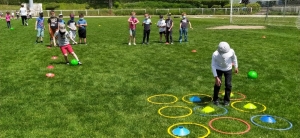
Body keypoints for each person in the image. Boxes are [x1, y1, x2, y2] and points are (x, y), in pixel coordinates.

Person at [211, 42, 238, 106]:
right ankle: (215, 99)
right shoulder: (215, 54)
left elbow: (234, 58)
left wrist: (236, 67)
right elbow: (213, 65)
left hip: (228, 69)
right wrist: (216, 77)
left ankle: (226, 100)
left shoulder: (231, 51)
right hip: (218, 69)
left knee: (228, 85)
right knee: (218, 84)